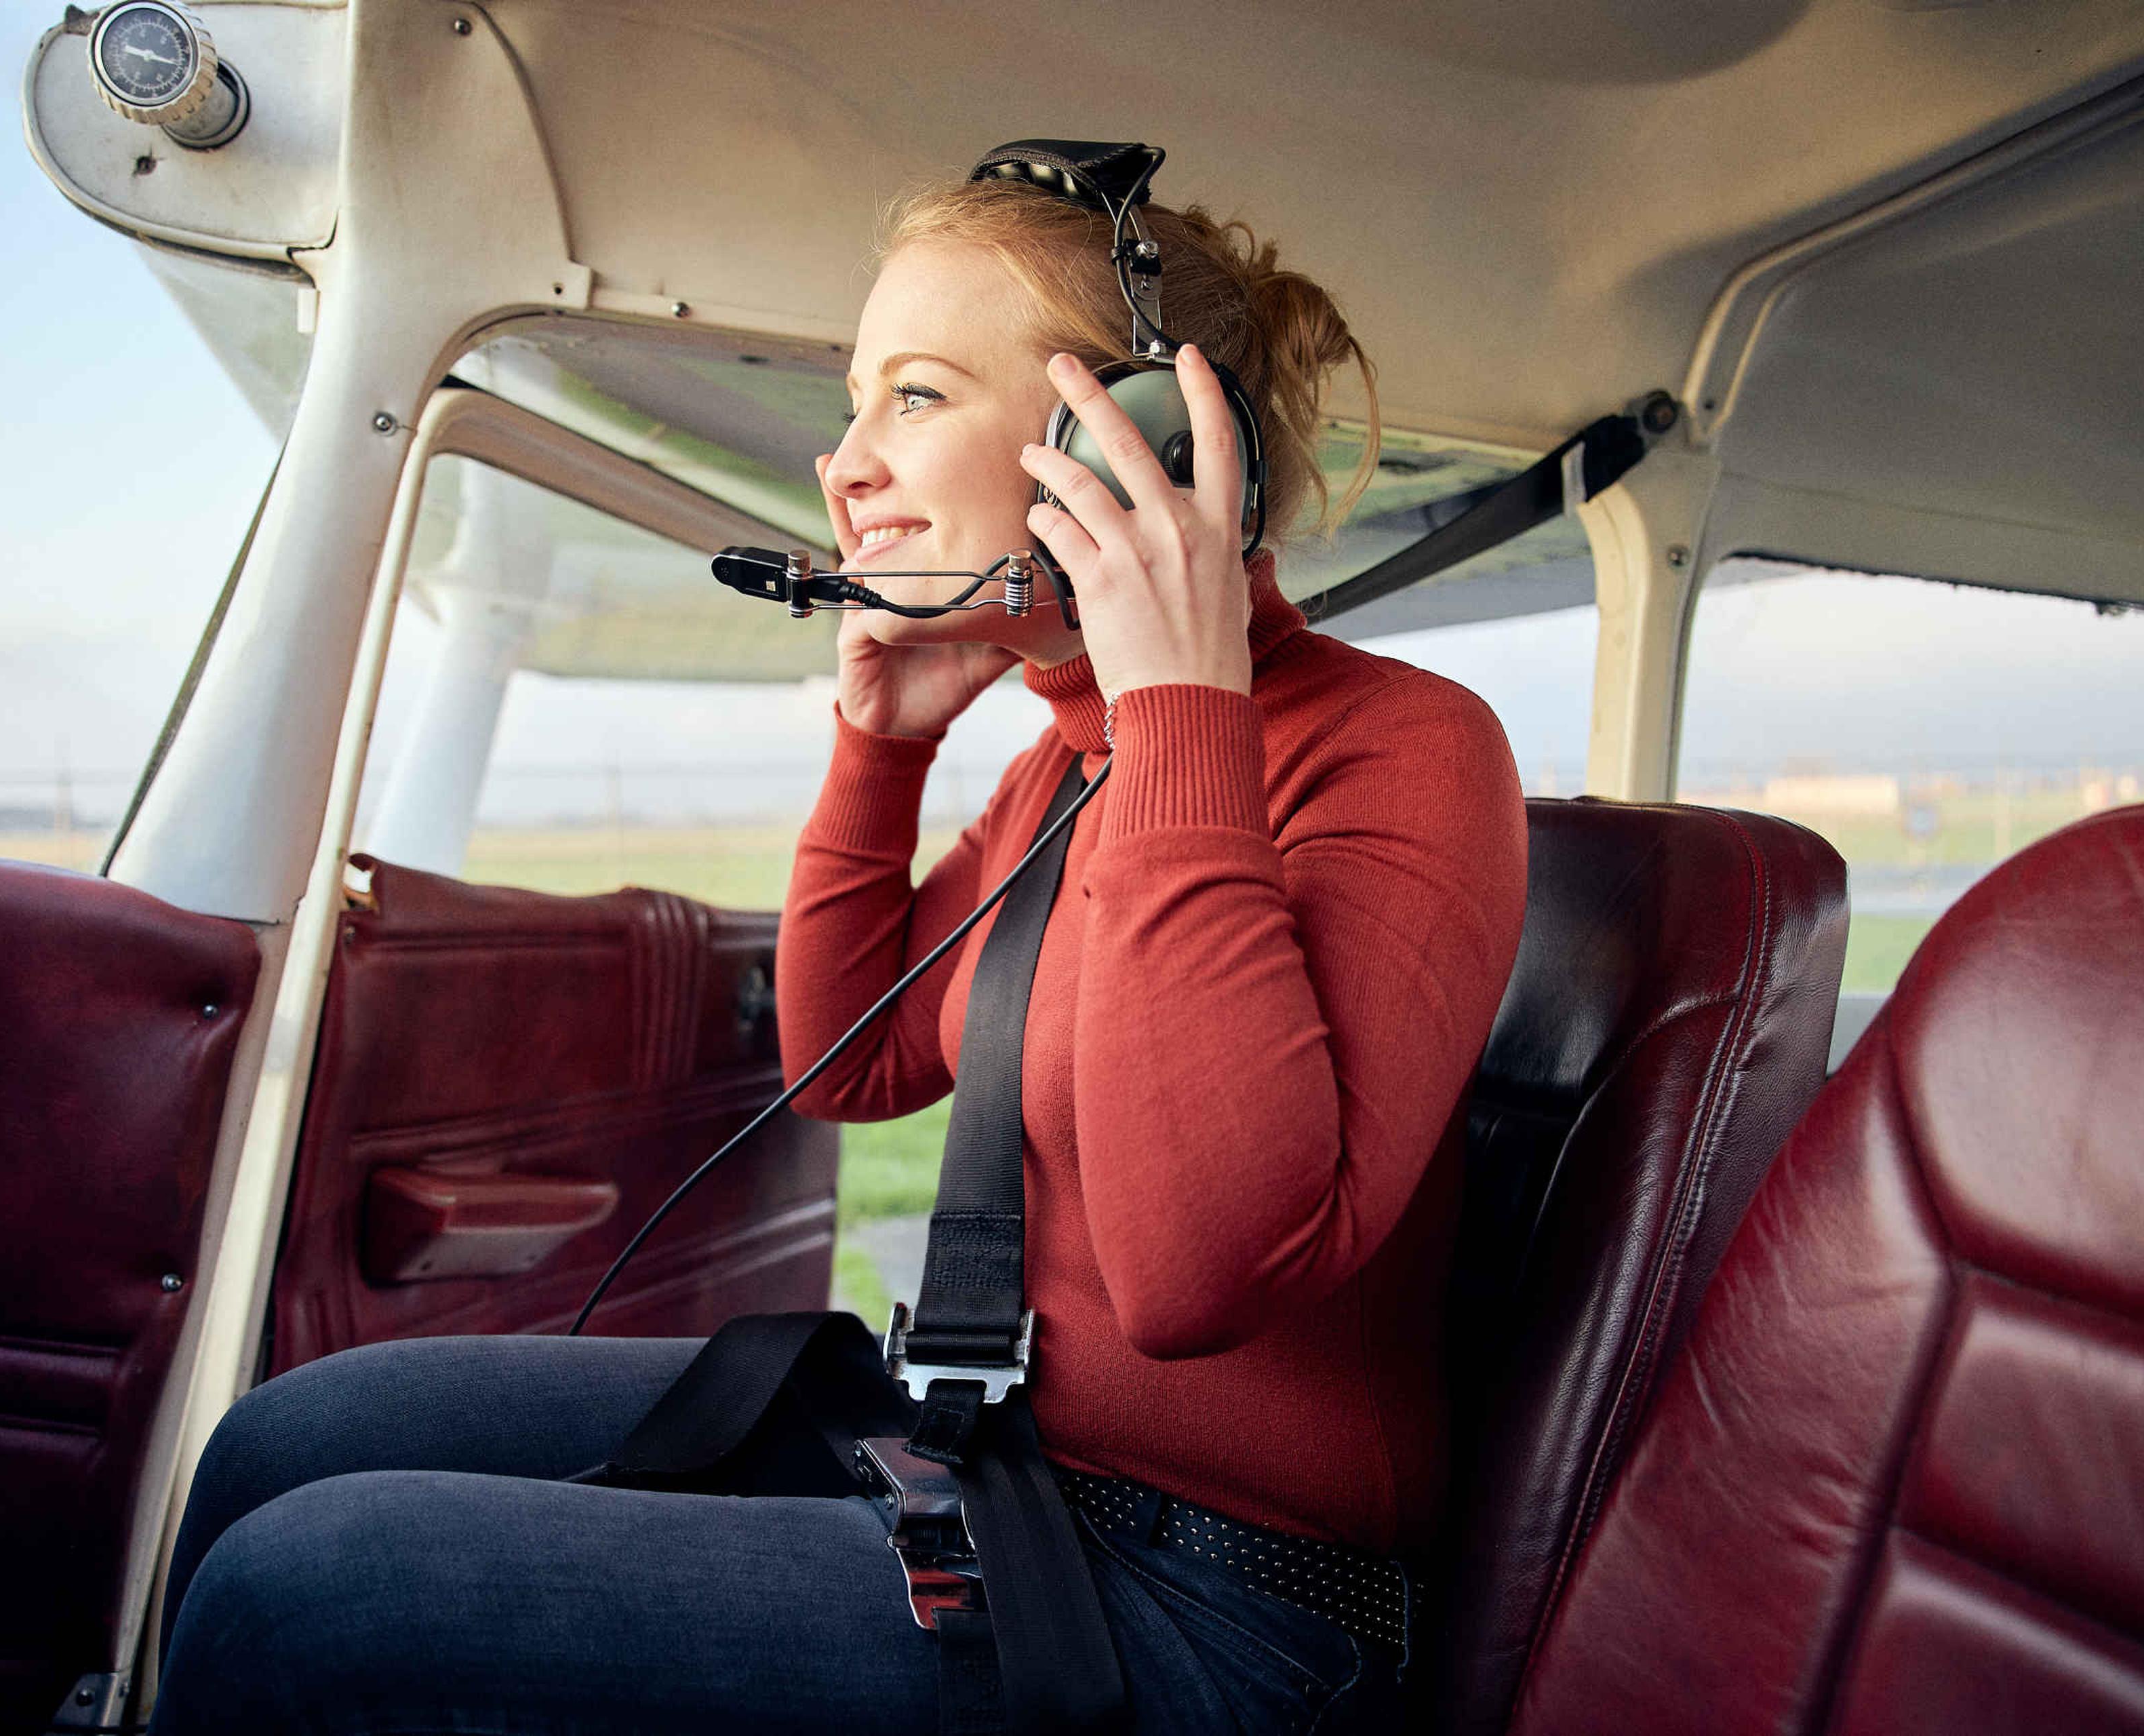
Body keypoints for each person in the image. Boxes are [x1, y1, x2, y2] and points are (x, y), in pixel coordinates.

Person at [147, 172, 1527, 1736]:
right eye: (855, 403)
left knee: (311, 1589)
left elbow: (1193, 1271)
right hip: (992, 1459)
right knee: (286, 1436)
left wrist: (1182, 719)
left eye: (915, 397)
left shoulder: (1402, 750)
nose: (845, 468)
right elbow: (843, 1062)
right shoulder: (1058, 774)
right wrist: (879, 753)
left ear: (1122, 441)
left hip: (1223, 1602)